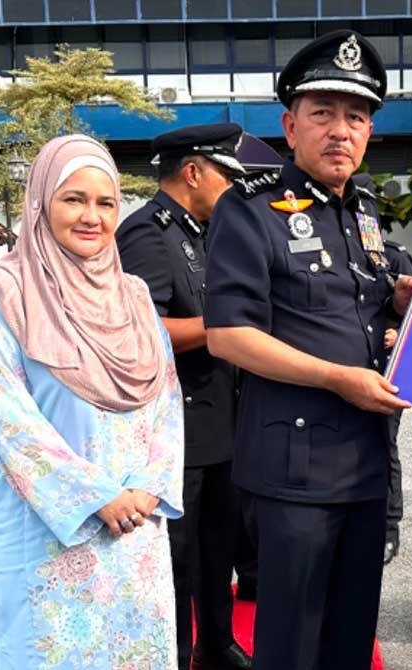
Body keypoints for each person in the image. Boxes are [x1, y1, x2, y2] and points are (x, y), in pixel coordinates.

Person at [203, 30, 412, 670]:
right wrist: (336, 377)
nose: (341, 131)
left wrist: (408, 302)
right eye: (323, 114)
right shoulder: (253, 210)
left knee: (350, 637)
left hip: (366, 459)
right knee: (293, 641)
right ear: (290, 126)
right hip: (294, 466)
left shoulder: (367, 214)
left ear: (370, 132)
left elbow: (365, 308)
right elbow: (229, 335)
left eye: (356, 117)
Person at [0, 135, 184, 669]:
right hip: (46, 532)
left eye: (105, 203)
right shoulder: (1, 292)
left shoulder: (131, 295)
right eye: (73, 199)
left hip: (136, 530)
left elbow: (166, 398)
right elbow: (4, 414)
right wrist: (96, 496)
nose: (92, 216)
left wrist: (148, 490)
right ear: (41, 202)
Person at [116, 124, 253, 670]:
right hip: (176, 428)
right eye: (226, 176)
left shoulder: (201, 231)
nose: (234, 190)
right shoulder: (146, 233)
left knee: (219, 549)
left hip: (220, 419)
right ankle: (171, 655)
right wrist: (228, 326)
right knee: (173, 557)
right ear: (193, 171)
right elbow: (144, 331)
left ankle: (216, 644)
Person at [381, 237, 412, 565]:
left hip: (387, 371)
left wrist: (397, 331)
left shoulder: (393, 255)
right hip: (348, 371)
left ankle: (389, 528)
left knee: (385, 446)